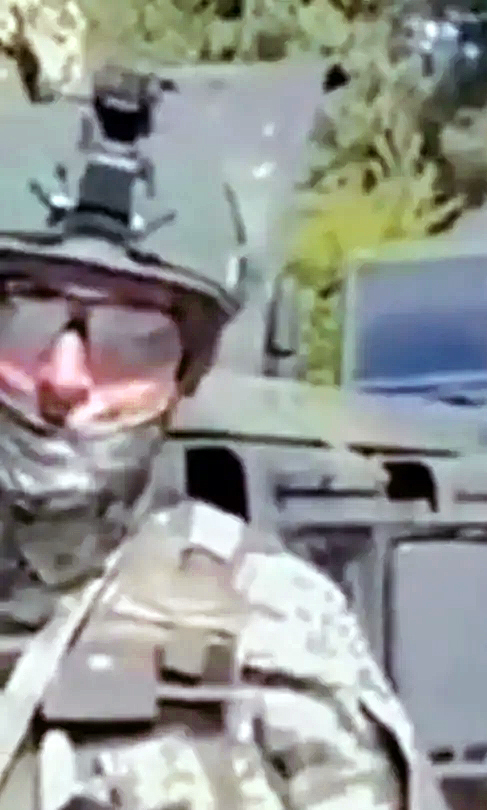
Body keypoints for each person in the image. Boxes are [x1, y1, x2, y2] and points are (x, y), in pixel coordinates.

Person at [0, 65, 423, 807]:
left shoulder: (274, 628)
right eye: (24, 320)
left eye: (130, 341)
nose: (65, 378)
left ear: (183, 377)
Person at [0, 0, 88, 102]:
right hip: (28, 62)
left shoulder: (16, 44)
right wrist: (15, 10)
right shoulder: (18, 42)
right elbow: (21, 23)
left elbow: (21, 24)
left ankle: (35, 96)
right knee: (30, 77)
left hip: (27, 63)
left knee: (30, 78)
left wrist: (15, 11)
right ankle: (35, 96)